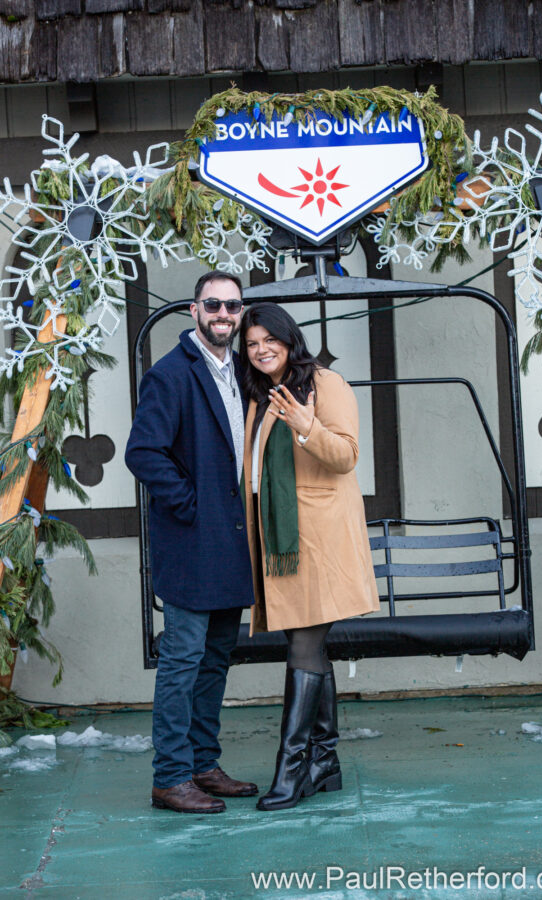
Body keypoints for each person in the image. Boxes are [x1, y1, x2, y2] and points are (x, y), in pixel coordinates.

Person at [125, 272, 258, 814]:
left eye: (232, 305)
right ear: (193, 310)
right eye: (213, 304)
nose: (223, 313)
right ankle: (171, 776)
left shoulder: (240, 371)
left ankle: (203, 764)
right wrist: (191, 505)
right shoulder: (171, 374)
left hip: (231, 541)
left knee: (215, 659)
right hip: (191, 540)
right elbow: (144, 453)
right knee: (182, 660)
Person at [239, 302, 380, 811]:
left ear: (287, 338)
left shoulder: (325, 384)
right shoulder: (257, 394)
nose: (260, 351)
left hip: (320, 539)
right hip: (282, 539)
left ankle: (292, 769)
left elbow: (345, 456)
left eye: (268, 340)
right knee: (310, 650)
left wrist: (305, 425)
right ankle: (324, 761)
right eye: (251, 344)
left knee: (302, 645)